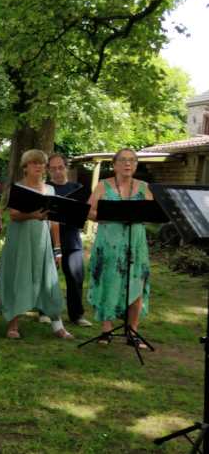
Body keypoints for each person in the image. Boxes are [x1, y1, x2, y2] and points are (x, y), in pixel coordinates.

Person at [0, 149, 73, 340]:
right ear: (25, 167)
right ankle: (13, 325)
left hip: (41, 242)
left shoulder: (50, 190)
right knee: (18, 278)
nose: (39, 166)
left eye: (41, 163)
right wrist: (33, 215)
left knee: (49, 280)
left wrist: (57, 249)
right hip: (20, 240)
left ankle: (58, 325)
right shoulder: (18, 188)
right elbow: (13, 215)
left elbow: (54, 221)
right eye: (34, 163)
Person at [87, 148, 153, 348]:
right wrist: (109, 216)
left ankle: (132, 332)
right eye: (123, 160)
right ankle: (106, 330)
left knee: (136, 284)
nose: (128, 164)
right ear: (114, 165)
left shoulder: (144, 187)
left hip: (135, 244)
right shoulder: (102, 186)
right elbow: (89, 211)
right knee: (108, 282)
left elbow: (151, 213)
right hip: (109, 243)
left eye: (132, 160)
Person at [47, 153, 92, 327]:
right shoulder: (45, 187)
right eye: (53, 168)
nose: (57, 172)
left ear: (66, 167)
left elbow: (85, 214)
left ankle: (76, 315)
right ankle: (45, 311)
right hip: (49, 239)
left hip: (72, 239)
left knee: (76, 276)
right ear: (48, 170)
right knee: (48, 278)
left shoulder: (77, 187)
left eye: (60, 167)